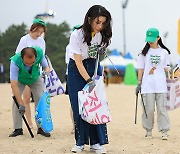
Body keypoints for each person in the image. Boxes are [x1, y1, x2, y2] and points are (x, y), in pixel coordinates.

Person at [67, 5, 112, 153]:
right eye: (97, 22)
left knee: (95, 105)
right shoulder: (76, 35)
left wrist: (101, 53)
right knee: (79, 105)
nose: (100, 26)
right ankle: (80, 142)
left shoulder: (101, 34)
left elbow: (97, 56)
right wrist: (89, 81)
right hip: (77, 70)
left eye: (103, 23)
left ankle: (97, 143)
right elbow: (78, 62)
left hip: (94, 66)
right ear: (89, 19)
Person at [136, 28, 171, 140]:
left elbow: (166, 68)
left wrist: (171, 74)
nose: (150, 41)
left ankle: (164, 131)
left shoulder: (164, 52)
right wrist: (139, 84)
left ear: (158, 38)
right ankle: (148, 131)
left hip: (161, 86)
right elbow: (141, 69)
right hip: (147, 86)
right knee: (148, 110)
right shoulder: (143, 53)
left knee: (162, 109)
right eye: (148, 39)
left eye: (152, 39)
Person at [9, 46, 50, 137]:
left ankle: (41, 128)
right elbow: (14, 84)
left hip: (35, 77)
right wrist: (21, 103)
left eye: (32, 63)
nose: (29, 65)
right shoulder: (15, 61)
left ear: (36, 57)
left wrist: (46, 73)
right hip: (20, 79)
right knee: (16, 101)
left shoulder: (39, 52)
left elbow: (46, 67)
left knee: (41, 100)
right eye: (26, 63)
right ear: (21, 57)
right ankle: (18, 128)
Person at [15, 18, 47, 129]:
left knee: (39, 98)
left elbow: (42, 57)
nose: (39, 34)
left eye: (41, 32)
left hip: (35, 72)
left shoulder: (42, 41)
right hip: (23, 72)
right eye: (37, 31)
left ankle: (40, 126)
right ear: (32, 29)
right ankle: (23, 125)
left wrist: (45, 70)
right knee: (26, 98)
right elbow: (18, 55)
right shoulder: (24, 39)